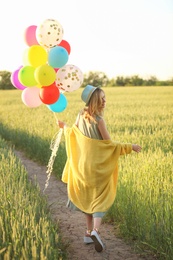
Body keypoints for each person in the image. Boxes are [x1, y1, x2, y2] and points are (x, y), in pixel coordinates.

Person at [57, 85, 142, 253]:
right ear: (94, 100)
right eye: (101, 98)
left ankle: (88, 234)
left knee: (87, 198)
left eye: (105, 97)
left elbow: (73, 134)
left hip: (82, 168)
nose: (105, 101)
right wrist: (130, 146)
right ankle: (96, 230)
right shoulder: (99, 121)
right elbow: (109, 146)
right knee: (100, 198)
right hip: (97, 169)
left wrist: (64, 127)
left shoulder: (80, 115)